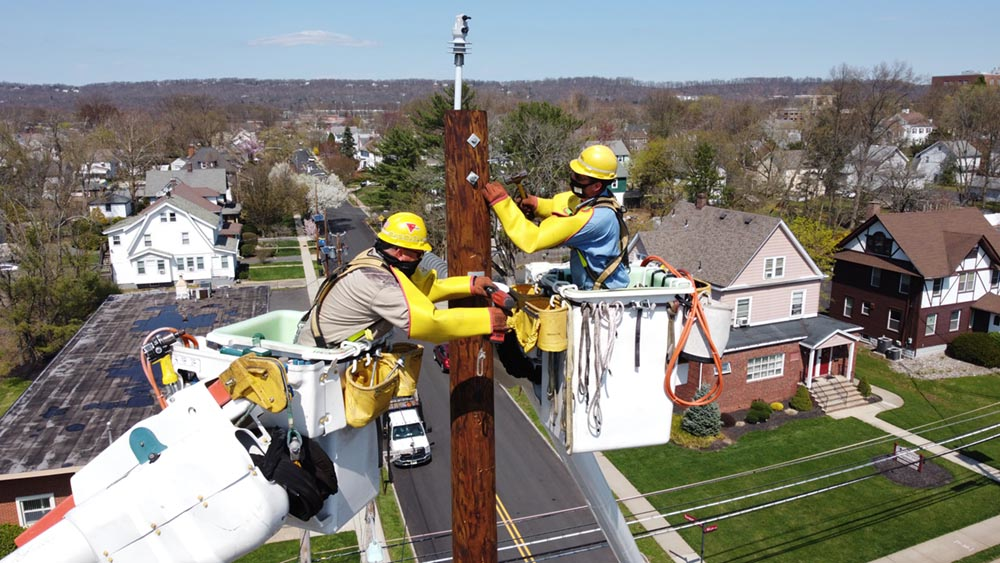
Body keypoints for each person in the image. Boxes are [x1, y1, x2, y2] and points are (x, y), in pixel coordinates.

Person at [297, 211, 507, 348]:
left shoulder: (378, 258)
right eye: (418, 253)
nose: (421, 258)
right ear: (400, 252)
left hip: (333, 348)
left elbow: (425, 288)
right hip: (321, 358)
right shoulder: (377, 282)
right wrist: (488, 319)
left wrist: (471, 285)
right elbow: (429, 324)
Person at [481, 144, 630, 290]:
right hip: (593, 287)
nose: (573, 178)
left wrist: (502, 203)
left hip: (603, 293)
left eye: (579, 177)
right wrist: (536, 205)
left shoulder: (595, 220)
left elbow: (532, 239)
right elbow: (563, 204)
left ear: (597, 186)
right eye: (573, 173)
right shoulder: (596, 198)